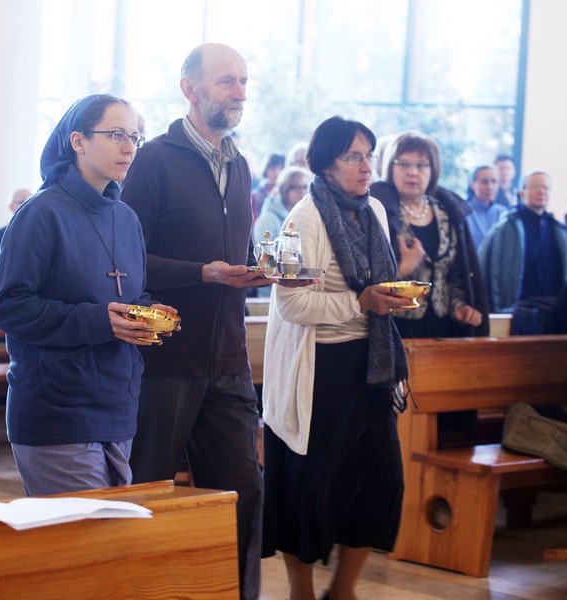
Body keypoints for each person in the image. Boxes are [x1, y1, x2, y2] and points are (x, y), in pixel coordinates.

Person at [121, 43, 291, 600]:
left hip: (228, 360)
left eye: (243, 81)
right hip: (166, 358)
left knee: (243, 493)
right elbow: (127, 260)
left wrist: (264, 273)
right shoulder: (153, 160)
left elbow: (236, 256)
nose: (239, 92)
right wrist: (203, 273)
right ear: (189, 88)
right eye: (226, 81)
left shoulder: (240, 165)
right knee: (147, 493)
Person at [0, 93, 174, 496]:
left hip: (118, 404)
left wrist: (145, 313)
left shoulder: (126, 218)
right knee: (88, 532)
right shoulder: (40, 213)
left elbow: (129, 293)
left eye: (135, 137)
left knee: (111, 533)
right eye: (116, 135)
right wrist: (100, 319)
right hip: (57, 407)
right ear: (78, 141)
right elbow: (10, 307)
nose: (129, 147)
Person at [261, 115, 412, 600]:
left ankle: (343, 590)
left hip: (372, 364)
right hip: (320, 370)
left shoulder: (375, 211)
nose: (366, 166)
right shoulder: (299, 219)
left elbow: (376, 280)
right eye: (353, 157)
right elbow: (290, 303)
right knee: (309, 487)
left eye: (369, 156)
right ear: (326, 164)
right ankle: (301, 592)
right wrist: (359, 303)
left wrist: (390, 296)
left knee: (379, 483)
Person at [370, 131, 489, 339]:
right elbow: (365, 281)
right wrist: (402, 270)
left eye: (421, 165)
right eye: (403, 164)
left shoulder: (448, 212)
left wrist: (459, 307)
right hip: (395, 328)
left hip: (444, 327)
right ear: (390, 167)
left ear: (433, 170)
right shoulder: (378, 212)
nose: (412, 172)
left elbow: (455, 273)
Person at [478, 171, 567, 313]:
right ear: (521, 192)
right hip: (517, 309)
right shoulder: (506, 227)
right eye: (535, 187)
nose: (541, 192)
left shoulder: (558, 230)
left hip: (552, 309)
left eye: (546, 188)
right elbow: (489, 272)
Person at [252, 166, 311, 297]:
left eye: (304, 187)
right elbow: (264, 259)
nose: (301, 191)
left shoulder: (306, 216)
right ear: (284, 189)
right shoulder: (268, 218)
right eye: (295, 187)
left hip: (298, 287)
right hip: (271, 291)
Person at [0, 188, 32, 268]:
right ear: (11, 206)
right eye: (22, 203)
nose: (27, 207)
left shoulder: (42, 235)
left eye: (30, 203)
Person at [465, 165, 508, 249]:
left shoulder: (504, 214)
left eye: (494, 181)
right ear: (472, 185)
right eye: (485, 182)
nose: (490, 187)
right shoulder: (464, 213)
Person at [251, 152, 285, 219]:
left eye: (281, 168)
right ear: (266, 169)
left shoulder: (289, 195)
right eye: (273, 168)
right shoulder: (255, 196)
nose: (277, 172)